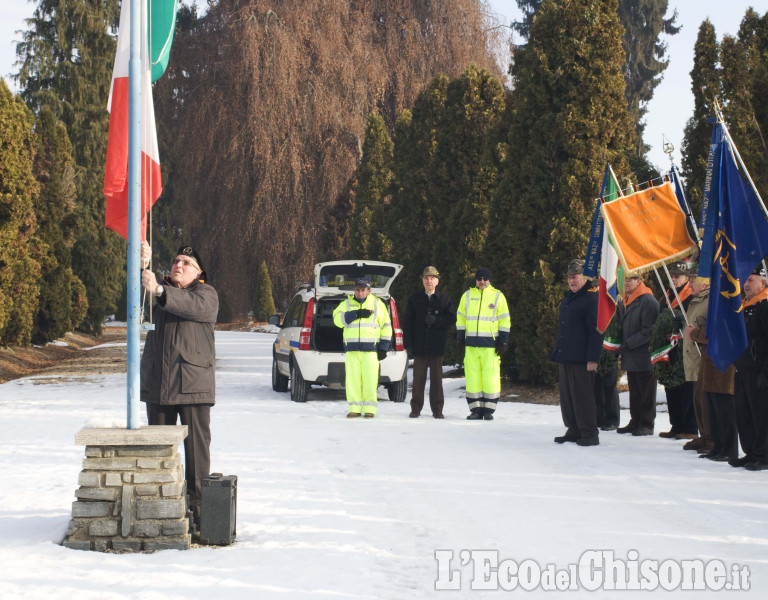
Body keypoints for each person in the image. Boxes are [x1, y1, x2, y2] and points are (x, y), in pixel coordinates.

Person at [140, 242, 219, 530]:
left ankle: (200, 514)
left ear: (198, 272)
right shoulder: (158, 290)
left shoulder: (205, 293)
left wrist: (160, 291)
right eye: (176, 260)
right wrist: (142, 268)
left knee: (197, 455)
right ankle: (159, 508)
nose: (179, 265)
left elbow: (192, 306)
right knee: (158, 453)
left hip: (193, 386)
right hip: (159, 385)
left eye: (186, 262)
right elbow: (138, 302)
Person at [551, 259, 604, 446]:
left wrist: (592, 358)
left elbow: (596, 331)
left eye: (575, 277)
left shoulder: (591, 298)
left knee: (583, 397)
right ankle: (573, 429)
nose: (572, 281)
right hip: (566, 355)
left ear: (585, 277)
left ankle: (589, 433)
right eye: (569, 277)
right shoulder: (569, 298)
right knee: (568, 397)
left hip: (582, 359)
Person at [686, 280, 737, 463]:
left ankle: (727, 448)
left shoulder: (730, 308)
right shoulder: (717, 308)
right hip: (709, 365)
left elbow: (720, 336)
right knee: (712, 409)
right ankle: (718, 446)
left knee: (724, 411)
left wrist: (695, 334)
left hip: (723, 368)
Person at [456, 268, 510, 420]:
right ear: (475, 280)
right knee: (473, 377)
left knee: (490, 377)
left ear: (490, 280)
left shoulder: (497, 296)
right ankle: (475, 410)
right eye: (479, 278)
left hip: (490, 346)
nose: (482, 281)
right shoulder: (467, 296)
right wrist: (460, 338)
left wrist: (503, 341)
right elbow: (461, 318)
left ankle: (488, 410)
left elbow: (505, 320)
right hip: (471, 345)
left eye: (485, 279)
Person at [333, 278, 392, 419]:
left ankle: (370, 409)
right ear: (354, 290)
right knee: (352, 380)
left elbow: (386, 326)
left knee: (370, 380)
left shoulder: (378, 305)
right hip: (352, 350)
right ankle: (354, 408)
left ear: (369, 290)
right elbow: (336, 320)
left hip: (371, 350)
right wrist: (355, 314)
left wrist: (383, 347)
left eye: (363, 290)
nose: (360, 293)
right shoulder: (346, 304)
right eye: (357, 290)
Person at [402, 266, 456, 419]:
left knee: (437, 381)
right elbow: (408, 323)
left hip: (436, 347)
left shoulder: (445, 299)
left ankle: (437, 410)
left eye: (432, 278)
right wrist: (408, 344)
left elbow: (451, 319)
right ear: (422, 281)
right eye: (426, 278)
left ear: (437, 281)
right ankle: (416, 408)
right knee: (418, 380)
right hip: (419, 346)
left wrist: (437, 320)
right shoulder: (414, 299)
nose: (429, 281)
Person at [654, 262, 697, 440]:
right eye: (671, 276)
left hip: (684, 349)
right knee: (671, 387)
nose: (673, 279)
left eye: (677, 276)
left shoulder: (690, 296)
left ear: (687, 278)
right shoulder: (666, 296)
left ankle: (690, 427)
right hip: (668, 348)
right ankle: (676, 424)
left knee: (686, 388)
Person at [732, 267, 768, 470]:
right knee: (744, 414)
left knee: (761, 415)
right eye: (744, 280)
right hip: (743, 369)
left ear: (763, 283)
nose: (746, 284)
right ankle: (751, 452)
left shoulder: (764, 306)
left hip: (759, 372)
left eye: (751, 280)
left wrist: (765, 372)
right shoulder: (745, 306)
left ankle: (763, 455)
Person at [617, 275, 659, 436]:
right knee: (634, 390)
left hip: (643, 354)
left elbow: (648, 331)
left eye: (630, 279)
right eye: (625, 279)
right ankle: (635, 421)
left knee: (646, 390)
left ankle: (647, 423)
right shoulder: (627, 300)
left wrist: (628, 343)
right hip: (632, 354)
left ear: (639, 281)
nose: (626, 282)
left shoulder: (647, 300)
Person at [680, 267, 713, 454]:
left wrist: (695, 335)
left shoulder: (708, 301)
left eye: (693, 280)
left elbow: (708, 331)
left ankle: (711, 438)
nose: (690, 283)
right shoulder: (696, 300)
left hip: (704, 359)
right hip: (693, 358)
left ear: (705, 282)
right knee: (698, 402)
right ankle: (703, 435)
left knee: (706, 402)